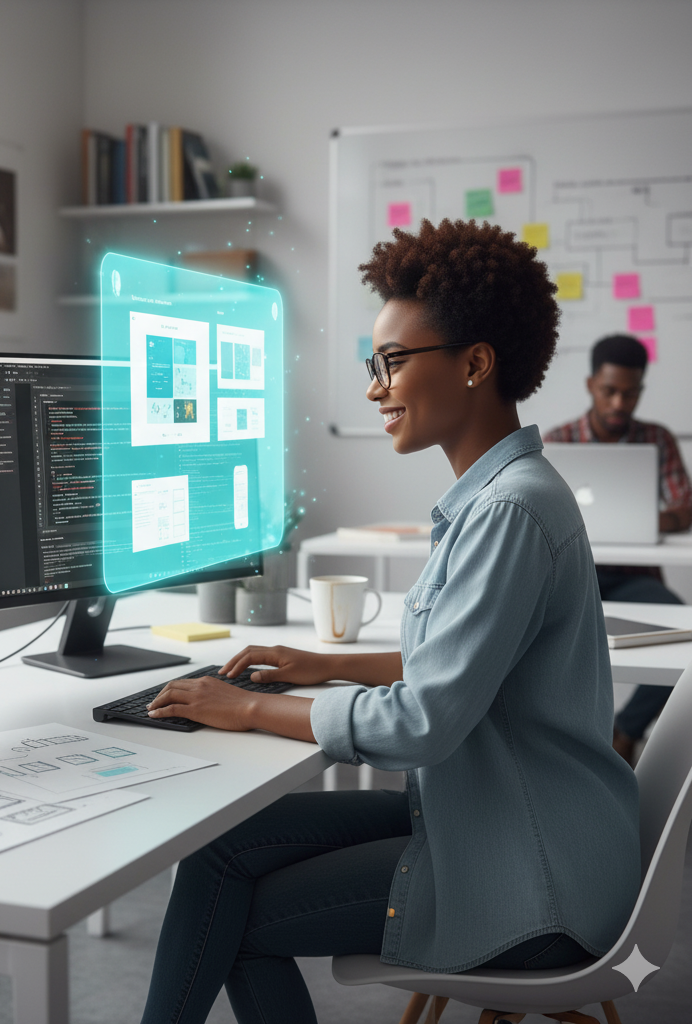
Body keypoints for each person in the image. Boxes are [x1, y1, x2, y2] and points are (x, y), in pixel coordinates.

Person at [138, 219, 640, 1024]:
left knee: (229, 920)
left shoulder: (510, 510)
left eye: (392, 363)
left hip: (531, 870)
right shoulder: (505, 494)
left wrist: (250, 709)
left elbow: (426, 722)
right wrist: (324, 665)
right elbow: (458, 665)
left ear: (475, 364)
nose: (375, 388)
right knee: (217, 849)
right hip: (502, 812)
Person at [544, 335, 692, 764]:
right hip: (573, 576)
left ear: (640, 390)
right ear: (591, 384)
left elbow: (685, 505)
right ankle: (565, 745)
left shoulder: (656, 439)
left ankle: (625, 732)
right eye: (609, 391)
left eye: (629, 393)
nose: (618, 403)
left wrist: (652, 519)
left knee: (682, 631)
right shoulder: (560, 441)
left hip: (635, 579)